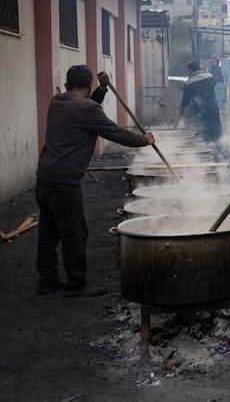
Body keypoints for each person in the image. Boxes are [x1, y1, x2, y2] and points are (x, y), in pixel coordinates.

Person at [36, 65, 154, 297]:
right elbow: (115, 133)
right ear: (88, 85)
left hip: (45, 178)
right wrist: (144, 140)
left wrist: (102, 89)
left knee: (48, 232)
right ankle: (76, 285)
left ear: (68, 86)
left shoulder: (57, 101)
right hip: (65, 182)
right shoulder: (87, 109)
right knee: (75, 233)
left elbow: (87, 107)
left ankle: (47, 282)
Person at [179, 61, 223, 142]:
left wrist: (182, 115)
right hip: (213, 107)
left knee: (204, 131)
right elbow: (214, 83)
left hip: (200, 110)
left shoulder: (189, 82)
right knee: (216, 129)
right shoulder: (209, 76)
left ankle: (208, 149)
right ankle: (219, 148)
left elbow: (185, 102)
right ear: (200, 67)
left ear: (191, 70)